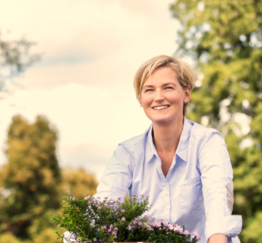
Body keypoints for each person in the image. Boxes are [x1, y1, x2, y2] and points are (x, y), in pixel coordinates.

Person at [96, 55, 242, 243]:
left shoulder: (208, 143)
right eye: (149, 90)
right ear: (141, 99)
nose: (158, 97)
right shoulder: (127, 153)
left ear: (186, 94)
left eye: (168, 87)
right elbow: (102, 209)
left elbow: (218, 209)